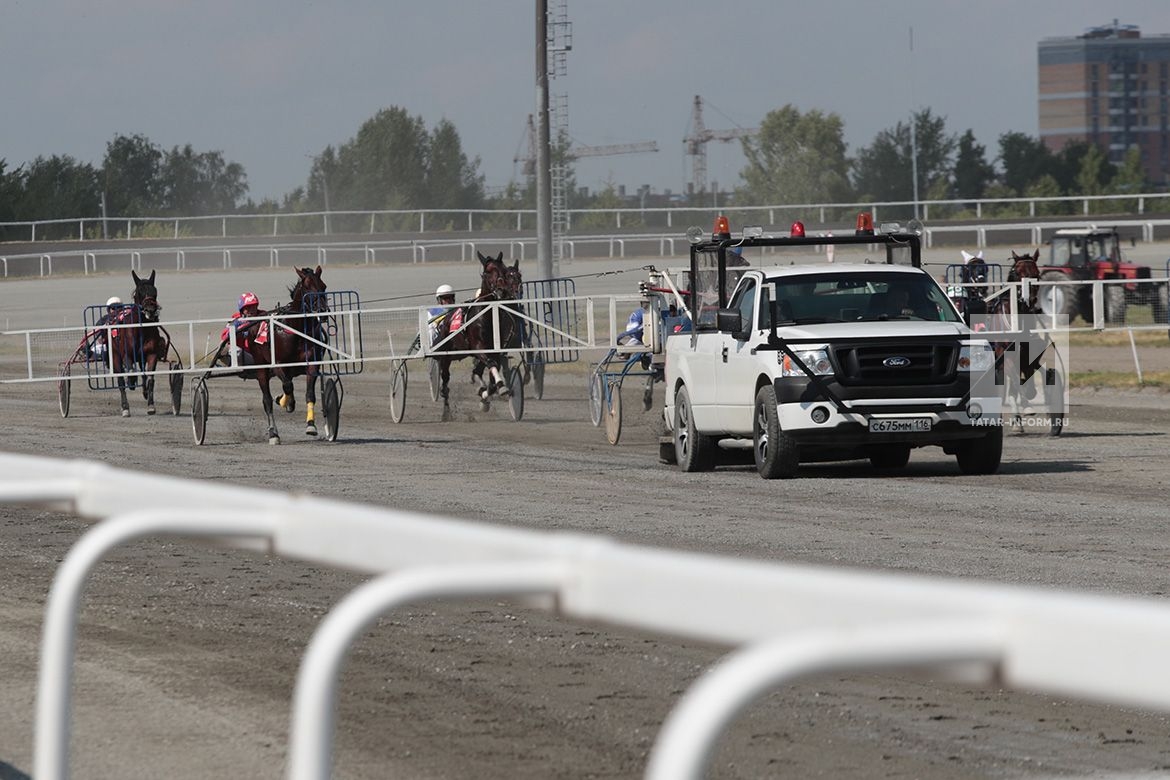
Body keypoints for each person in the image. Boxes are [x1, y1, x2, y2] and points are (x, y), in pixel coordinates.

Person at [221, 291, 263, 366]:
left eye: (254, 306)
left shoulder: (265, 317)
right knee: (223, 347)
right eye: (248, 307)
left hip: (261, 355)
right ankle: (233, 365)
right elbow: (225, 337)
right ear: (242, 309)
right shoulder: (236, 320)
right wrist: (242, 332)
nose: (251, 310)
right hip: (244, 355)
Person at [89, 296, 123, 361]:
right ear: (109, 310)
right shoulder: (104, 320)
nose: (116, 310)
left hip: (124, 345)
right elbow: (99, 337)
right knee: (97, 349)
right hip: (109, 345)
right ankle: (89, 353)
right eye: (113, 308)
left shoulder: (127, 318)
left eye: (119, 307)